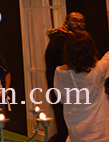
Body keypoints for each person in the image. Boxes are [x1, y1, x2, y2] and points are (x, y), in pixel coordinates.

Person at [53, 31, 109, 141]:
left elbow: (61, 98)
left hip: (75, 127)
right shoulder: (99, 70)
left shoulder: (60, 72)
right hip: (100, 128)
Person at [44, 12, 85, 142]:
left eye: (81, 21)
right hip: (60, 89)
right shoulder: (59, 39)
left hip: (77, 89)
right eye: (74, 20)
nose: (78, 24)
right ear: (66, 23)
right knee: (64, 126)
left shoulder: (81, 39)